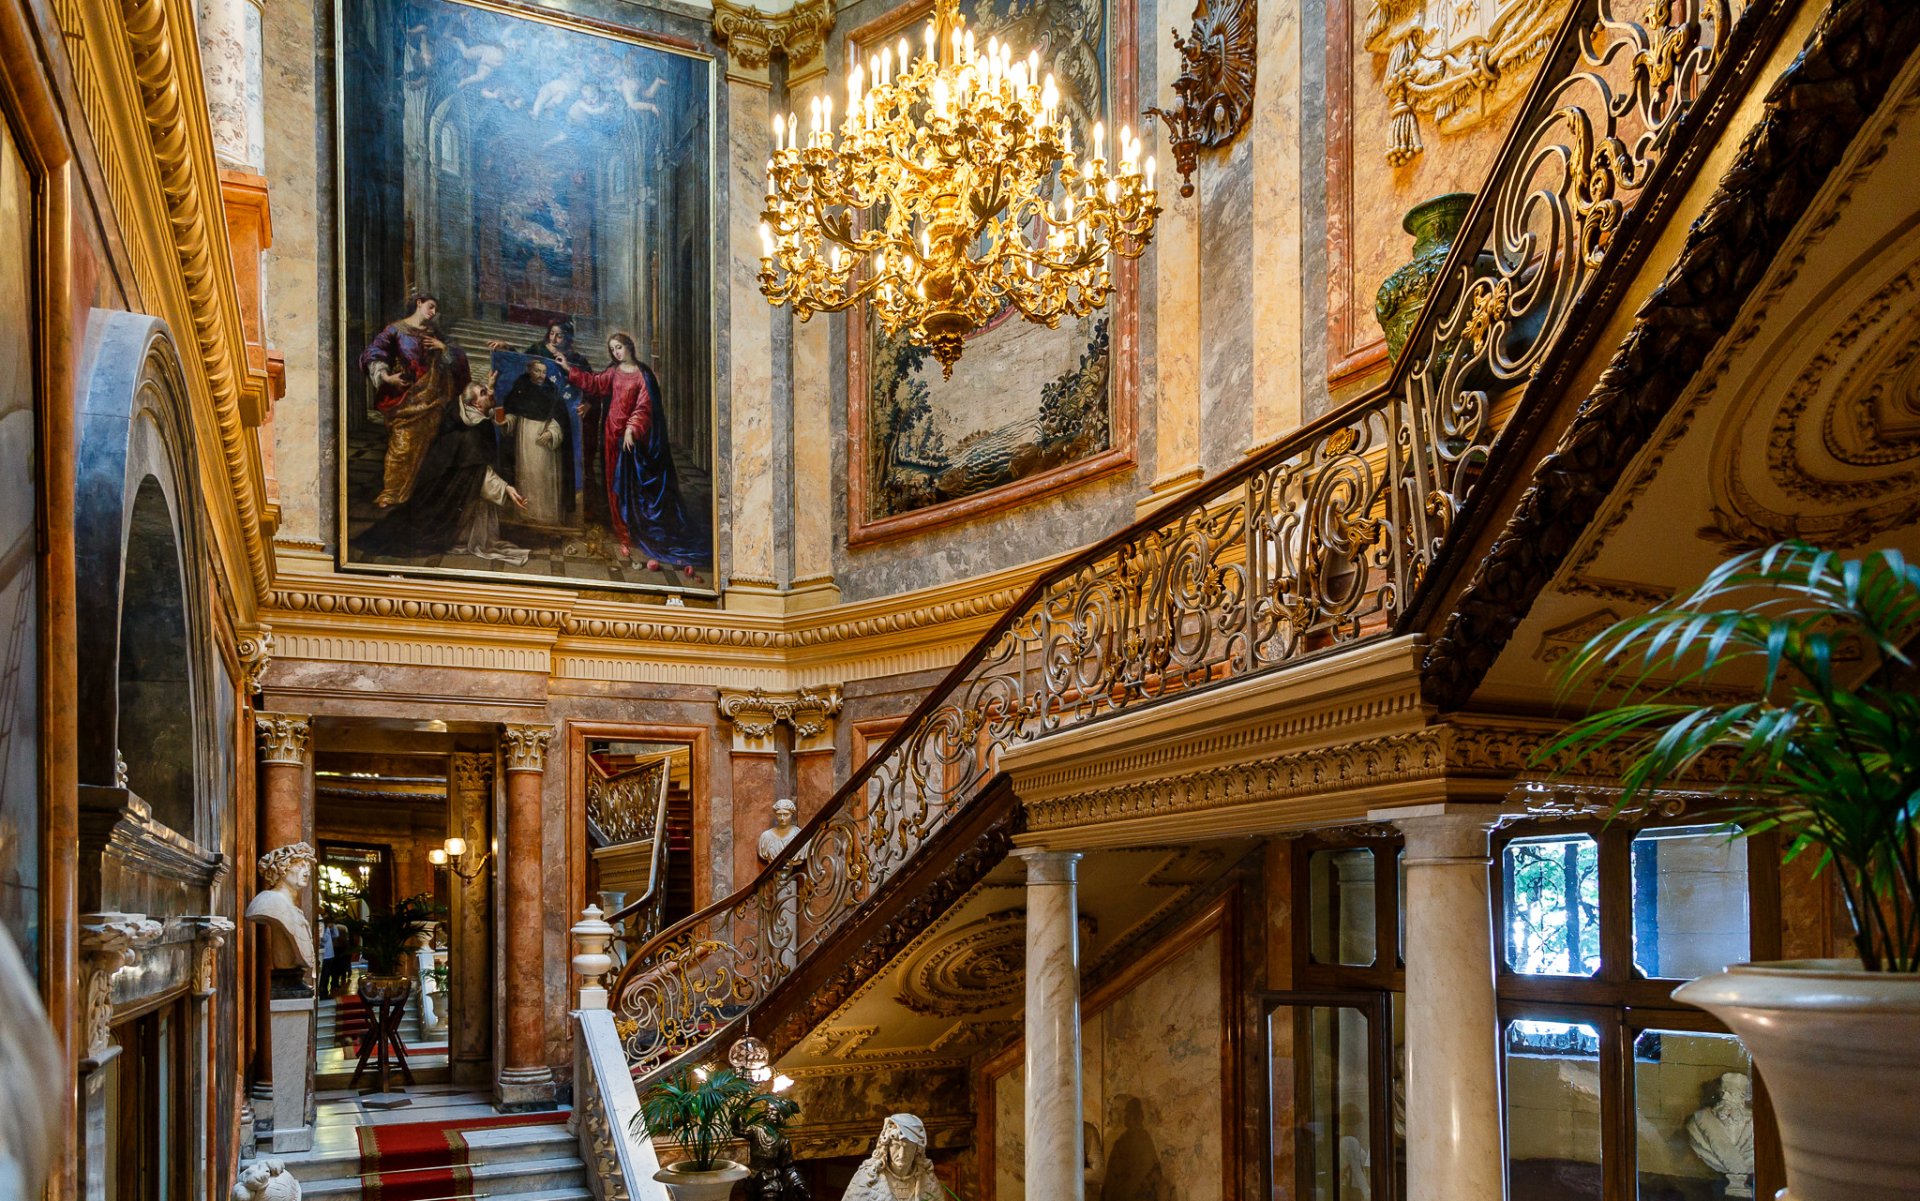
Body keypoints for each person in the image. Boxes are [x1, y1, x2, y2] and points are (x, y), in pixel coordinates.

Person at [566, 334, 710, 572]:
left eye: (619, 347)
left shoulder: (643, 375)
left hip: (630, 443)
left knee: (630, 487)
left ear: (629, 346)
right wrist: (568, 369)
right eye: (612, 349)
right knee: (613, 483)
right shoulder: (613, 371)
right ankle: (621, 530)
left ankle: (633, 530)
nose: (616, 353)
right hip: (611, 437)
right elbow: (595, 383)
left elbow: (645, 406)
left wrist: (632, 428)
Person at [356, 373, 532, 564]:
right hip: (455, 496)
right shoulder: (473, 433)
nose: (488, 393)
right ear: (475, 405)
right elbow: (479, 472)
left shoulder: (463, 414)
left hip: (454, 489)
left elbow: (499, 420)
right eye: (483, 393)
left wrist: (490, 391)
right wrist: (506, 488)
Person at [357, 293, 471, 507]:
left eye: (436, 309)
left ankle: (417, 495)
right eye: (431, 306)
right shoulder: (395, 330)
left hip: (433, 400)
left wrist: (443, 348)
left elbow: (459, 358)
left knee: (427, 449)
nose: (433, 312)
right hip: (405, 399)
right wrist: (386, 377)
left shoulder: (435, 333)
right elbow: (374, 352)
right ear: (419, 303)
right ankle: (391, 492)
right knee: (401, 447)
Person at [496, 358, 572, 525]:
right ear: (529, 370)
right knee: (527, 475)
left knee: (544, 476)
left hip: (545, 440)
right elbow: (512, 413)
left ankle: (546, 516)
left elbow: (560, 418)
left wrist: (552, 433)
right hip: (525, 438)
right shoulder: (520, 389)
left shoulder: (552, 391)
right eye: (537, 371)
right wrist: (505, 421)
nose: (541, 375)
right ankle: (526, 514)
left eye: (544, 372)